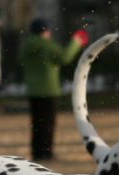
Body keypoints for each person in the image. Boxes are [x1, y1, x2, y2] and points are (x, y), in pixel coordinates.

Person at [21, 18, 88, 161]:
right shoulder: (46, 46)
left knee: (37, 123)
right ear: (45, 31)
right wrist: (76, 41)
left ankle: (37, 152)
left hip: (33, 91)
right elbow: (65, 57)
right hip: (48, 90)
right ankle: (46, 152)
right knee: (48, 123)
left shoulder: (26, 46)